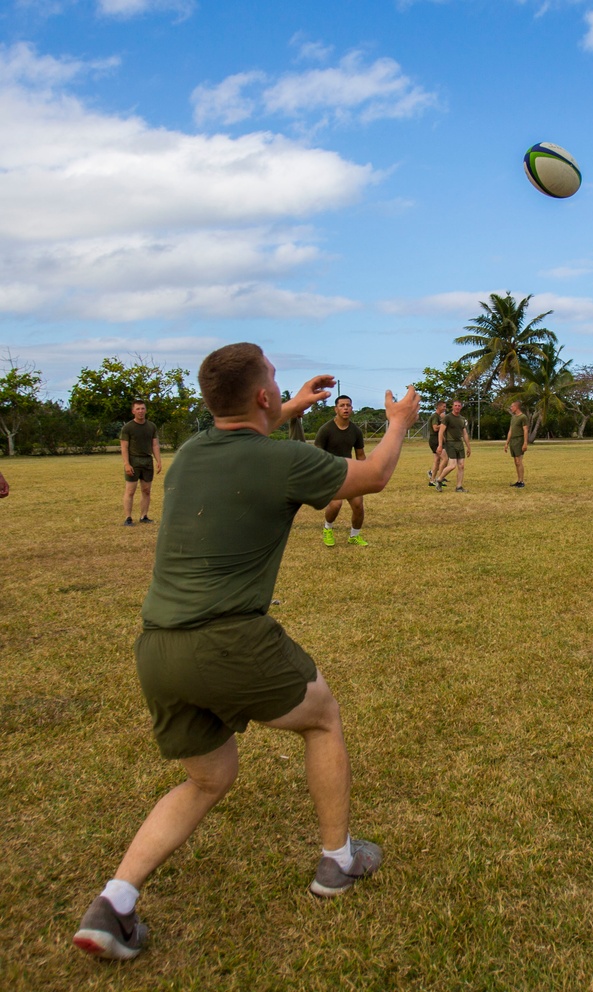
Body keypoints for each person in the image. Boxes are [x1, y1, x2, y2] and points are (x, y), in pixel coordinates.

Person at [73, 343, 420, 961]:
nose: (281, 389)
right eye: (276, 383)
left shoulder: (190, 456)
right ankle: (337, 862)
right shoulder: (283, 461)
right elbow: (376, 477)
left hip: (157, 647)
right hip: (228, 639)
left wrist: (291, 407)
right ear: (262, 396)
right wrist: (397, 423)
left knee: (209, 777)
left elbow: (244, 439)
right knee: (322, 717)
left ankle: (114, 903)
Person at [315, 395, 368, 547]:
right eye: (342, 405)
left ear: (351, 409)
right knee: (336, 504)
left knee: (358, 505)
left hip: (350, 473)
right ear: (336, 409)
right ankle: (328, 529)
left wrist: (364, 474)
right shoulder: (326, 430)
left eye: (348, 405)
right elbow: (317, 455)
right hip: (331, 473)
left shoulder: (355, 431)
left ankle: (354, 536)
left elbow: (360, 455)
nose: (345, 408)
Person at [120, 400, 162, 526]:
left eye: (142, 408)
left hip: (147, 461)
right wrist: (127, 464)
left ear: (146, 410)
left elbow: (154, 444)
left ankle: (144, 516)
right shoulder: (128, 427)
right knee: (130, 491)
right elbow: (124, 447)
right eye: (137, 409)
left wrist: (158, 460)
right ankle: (128, 518)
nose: (140, 411)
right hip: (134, 460)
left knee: (146, 490)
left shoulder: (151, 426)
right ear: (133, 411)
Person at [435, 399, 471, 492]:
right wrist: (440, 445)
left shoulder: (462, 419)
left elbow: (465, 433)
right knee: (452, 466)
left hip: (459, 443)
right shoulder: (447, 418)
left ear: (461, 407)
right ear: (452, 406)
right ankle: (439, 479)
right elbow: (441, 431)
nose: (457, 407)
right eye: (455, 405)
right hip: (450, 443)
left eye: (459, 406)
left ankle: (459, 487)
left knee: (461, 465)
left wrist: (468, 447)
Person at [504, 400, 529, 488]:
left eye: (512, 406)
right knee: (516, 462)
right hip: (513, 441)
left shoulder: (523, 417)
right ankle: (518, 480)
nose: (511, 408)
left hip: (519, 440)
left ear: (516, 407)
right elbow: (510, 430)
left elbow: (526, 430)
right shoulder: (513, 417)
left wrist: (525, 443)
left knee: (519, 461)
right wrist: (507, 443)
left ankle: (521, 481)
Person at [427, 399, 448, 487]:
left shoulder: (438, 416)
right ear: (439, 407)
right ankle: (439, 478)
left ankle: (432, 481)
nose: (445, 408)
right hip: (434, 440)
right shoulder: (435, 416)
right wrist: (444, 424)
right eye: (444, 407)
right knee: (445, 459)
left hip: (435, 439)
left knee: (437, 461)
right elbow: (435, 428)